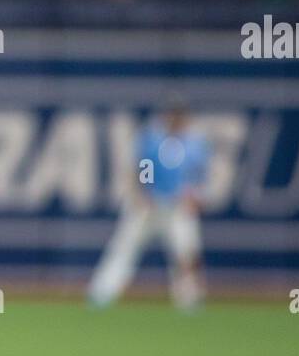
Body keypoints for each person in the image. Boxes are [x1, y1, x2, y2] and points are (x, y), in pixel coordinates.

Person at [88, 99, 209, 310]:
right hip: (148, 205)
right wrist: (142, 194)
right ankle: (101, 295)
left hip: (177, 207)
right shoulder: (152, 137)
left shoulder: (195, 143)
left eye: (179, 115)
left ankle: (190, 300)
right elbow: (141, 168)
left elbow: (197, 176)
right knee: (124, 249)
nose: (176, 119)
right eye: (173, 114)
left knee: (187, 251)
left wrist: (194, 196)